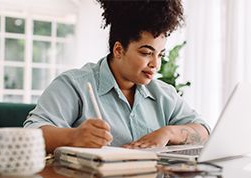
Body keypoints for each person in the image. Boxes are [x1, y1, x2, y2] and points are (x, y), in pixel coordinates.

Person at [23, 0, 210, 153]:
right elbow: (29, 134)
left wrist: (168, 133)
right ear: (119, 50)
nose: (155, 64)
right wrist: (74, 136)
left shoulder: (164, 94)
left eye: (160, 54)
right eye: (146, 53)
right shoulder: (74, 85)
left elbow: (204, 131)